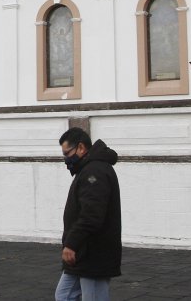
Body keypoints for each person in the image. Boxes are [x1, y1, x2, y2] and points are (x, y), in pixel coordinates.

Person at [55, 127, 121, 301]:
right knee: (64, 295)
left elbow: (92, 215)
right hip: (82, 255)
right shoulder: (87, 169)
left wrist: (71, 244)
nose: (65, 159)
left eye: (67, 153)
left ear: (81, 148)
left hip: (94, 254)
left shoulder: (94, 172)